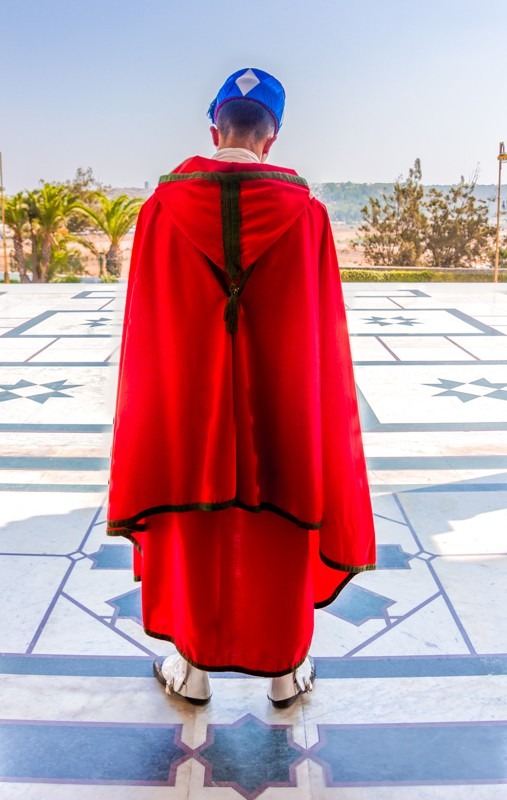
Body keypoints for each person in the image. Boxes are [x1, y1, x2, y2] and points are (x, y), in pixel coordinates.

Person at [107, 67, 376, 708]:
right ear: (272, 137)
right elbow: (321, 333)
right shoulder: (307, 216)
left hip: (188, 406)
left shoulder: (158, 211)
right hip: (280, 407)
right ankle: (284, 673)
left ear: (213, 127)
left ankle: (192, 671)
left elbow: (149, 327)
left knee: (194, 515)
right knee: (280, 521)